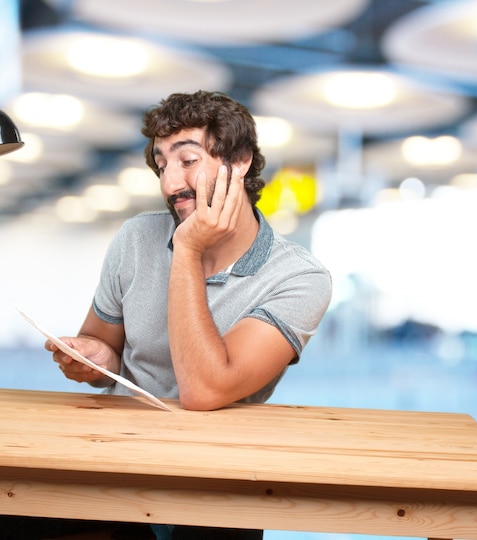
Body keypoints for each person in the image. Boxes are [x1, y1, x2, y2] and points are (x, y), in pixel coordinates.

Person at [5, 91, 332, 540]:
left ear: (239, 163)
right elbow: (105, 354)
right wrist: (95, 357)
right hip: (117, 464)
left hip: (219, 485)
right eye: (161, 165)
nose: (169, 184)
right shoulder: (136, 238)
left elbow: (204, 389)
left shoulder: (299, 277)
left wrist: (188, 249)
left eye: (187, 160)